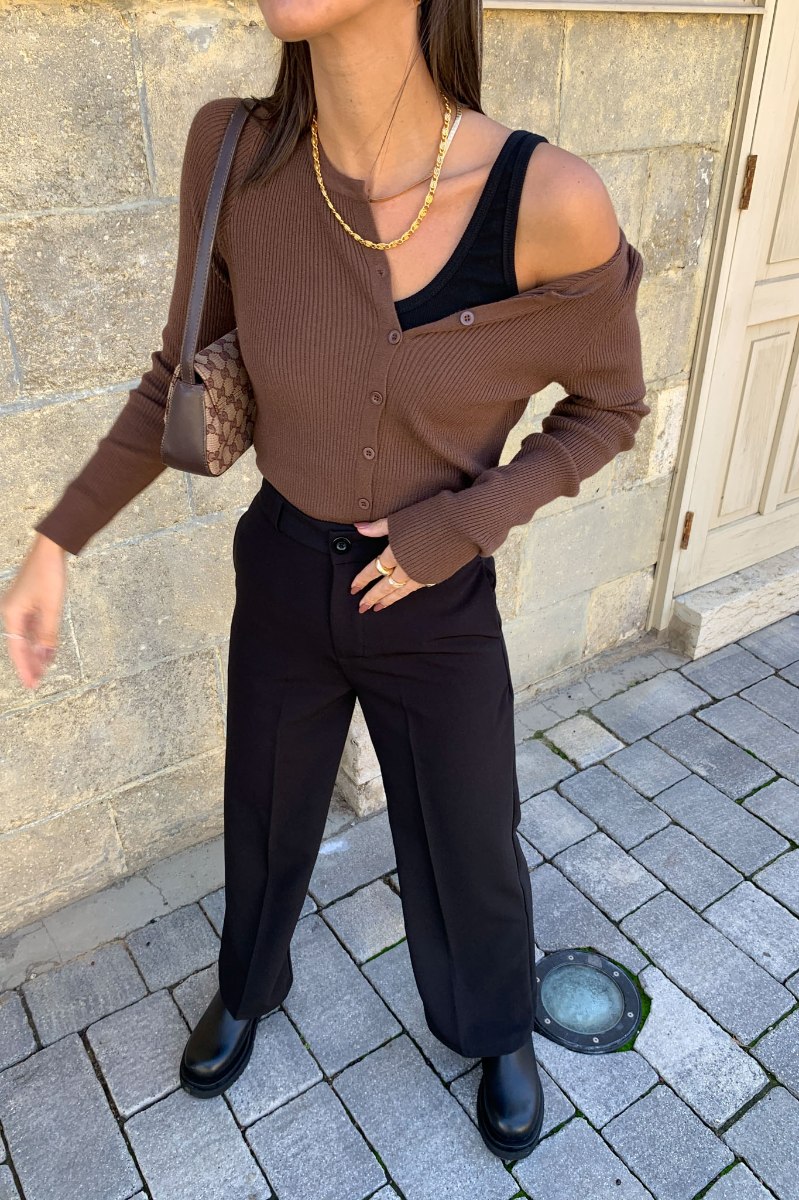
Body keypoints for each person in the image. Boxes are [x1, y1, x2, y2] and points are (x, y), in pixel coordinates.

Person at [1, 0, 649, 1163]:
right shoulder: (234, 151)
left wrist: (461, 525)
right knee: (263, 808)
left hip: (435, 598)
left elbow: (609, 409)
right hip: (285, 567)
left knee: (469, 835)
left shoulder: (547, 198)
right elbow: (177, 378)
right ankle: (249, 985)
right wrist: (59, 538)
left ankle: (495, 1025)